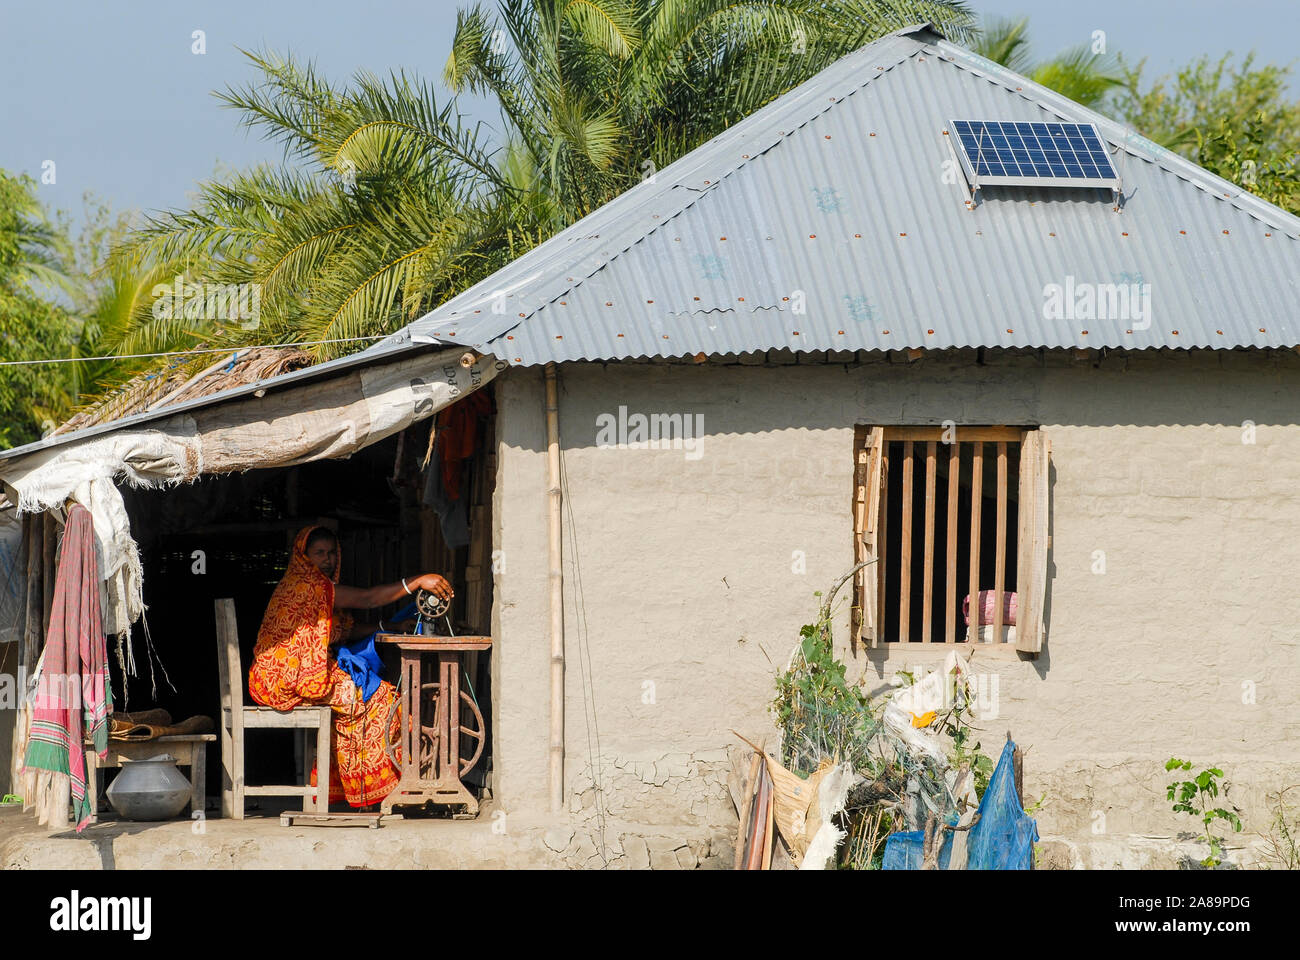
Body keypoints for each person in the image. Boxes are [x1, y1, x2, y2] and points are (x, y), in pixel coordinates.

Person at [248, 525, 454, 809]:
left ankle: (352, 788)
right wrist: (418, 581)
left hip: (288, 674)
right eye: (319, 553)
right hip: (285, 678)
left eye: (332, 553)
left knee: (370, 690)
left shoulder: (314, 589)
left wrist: (390, 626)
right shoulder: (308, 587)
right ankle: (374, 789)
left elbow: (343, 631)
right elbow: (368, 599)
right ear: (303, 556)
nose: (327, 559)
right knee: (375, 698)